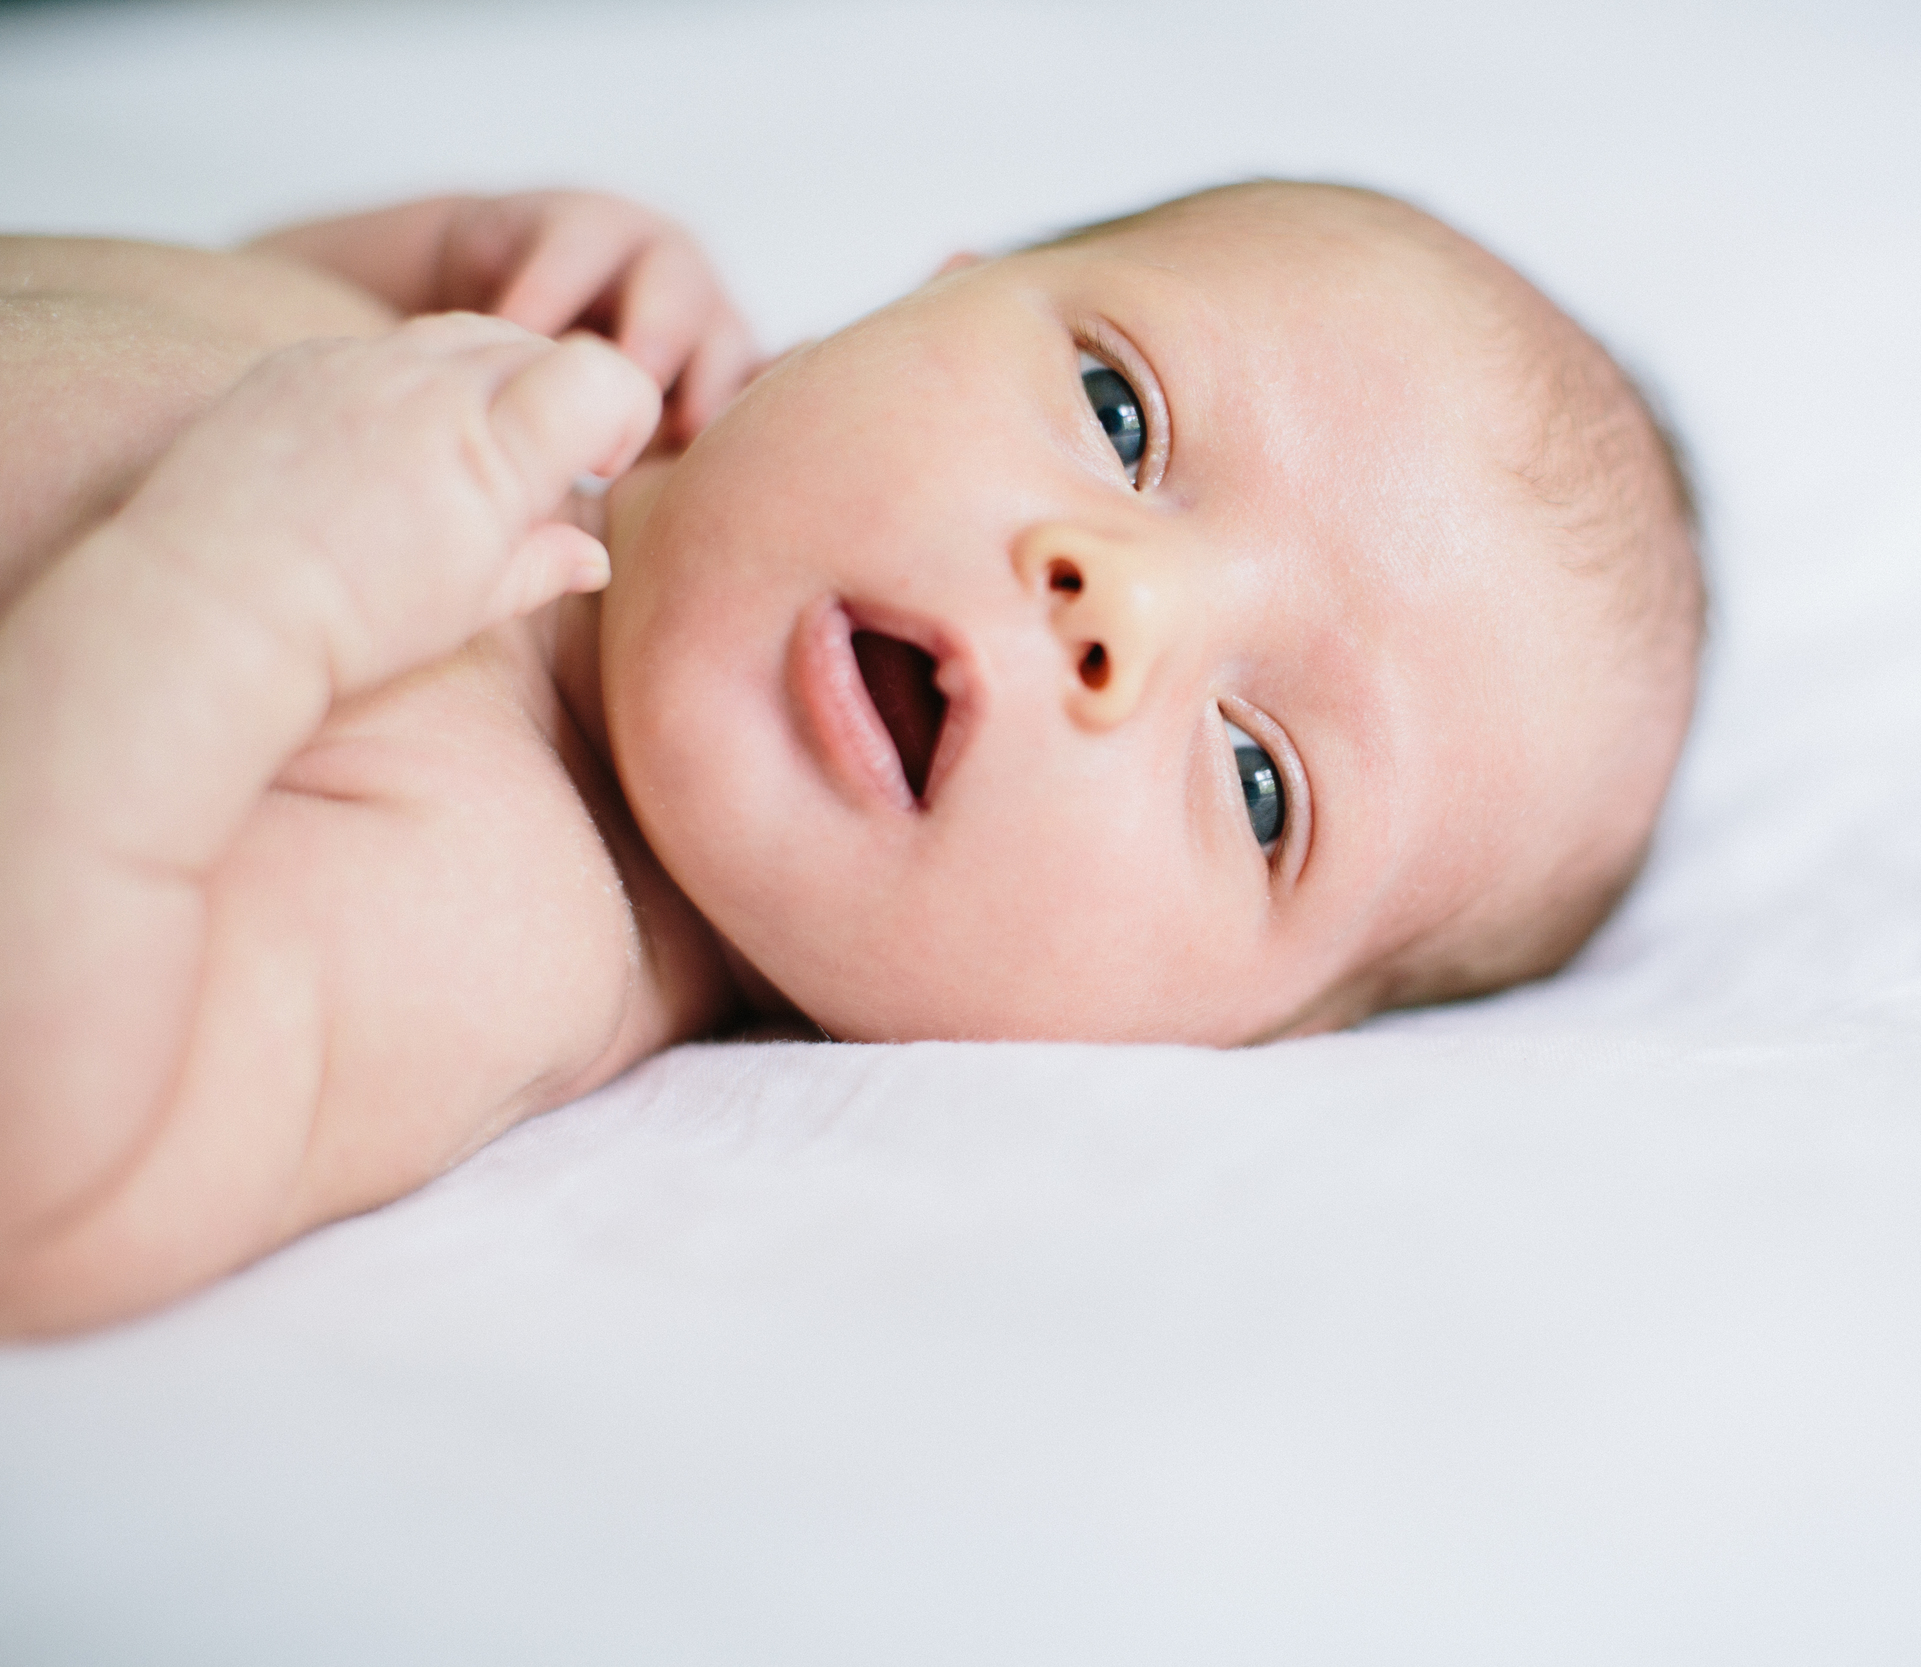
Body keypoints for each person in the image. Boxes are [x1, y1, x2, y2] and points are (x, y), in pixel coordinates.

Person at [0, 180, 1704, 1336]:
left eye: (1261, 784)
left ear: (1217, 1046)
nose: (1120, 604)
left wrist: (234, 589)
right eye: (1121, 417)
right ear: (912, 304)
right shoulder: (520, 391)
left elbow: (50, 1140)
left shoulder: (496, 886)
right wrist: (451, 255)